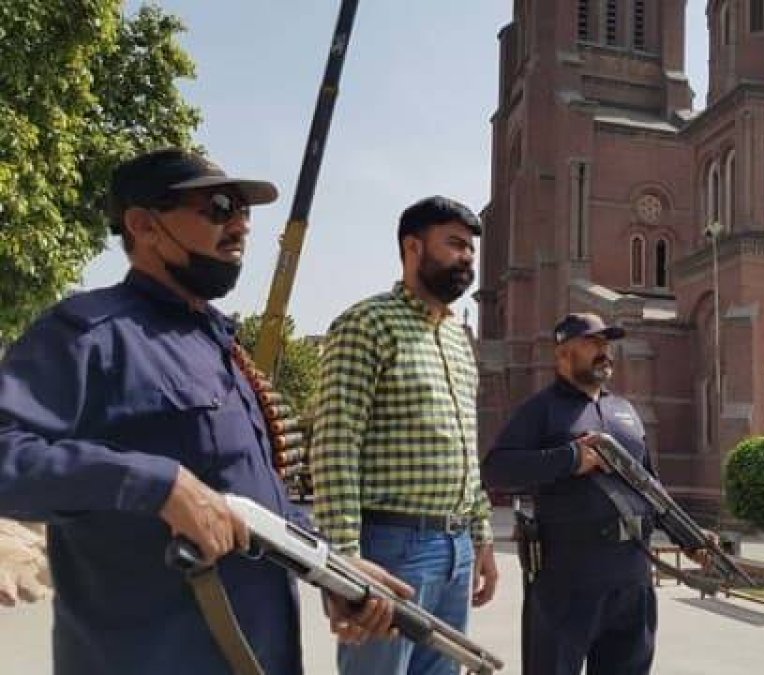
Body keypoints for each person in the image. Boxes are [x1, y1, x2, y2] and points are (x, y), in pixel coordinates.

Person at [0, 148, 407, 675]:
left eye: (244, 212)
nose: (240, 225)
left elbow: (253, 497)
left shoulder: (220, 344)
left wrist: (333, 568)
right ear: (144, 225)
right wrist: (157, 484)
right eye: (218, 208)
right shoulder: (89, 335)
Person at [311, 195, 499, 675]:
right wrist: (344, 559)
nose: (467, 258)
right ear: (413, 248)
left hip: (456, 548)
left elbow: (466, 449)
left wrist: (481, 537)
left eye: (471, 249)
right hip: (392, 548)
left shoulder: (457, 339)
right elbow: (335, 446)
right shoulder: (366, 324)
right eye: (454, 244)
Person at [482, 312, 710, 675]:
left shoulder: (625, 411)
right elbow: (496, 469)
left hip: (632, 578)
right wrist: (570, 459)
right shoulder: (540, 410)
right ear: (563, 354)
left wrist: (689, 537)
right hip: (567, 579)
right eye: (592, 343)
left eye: (607, 343)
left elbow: (650, 486)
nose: (604, 351)